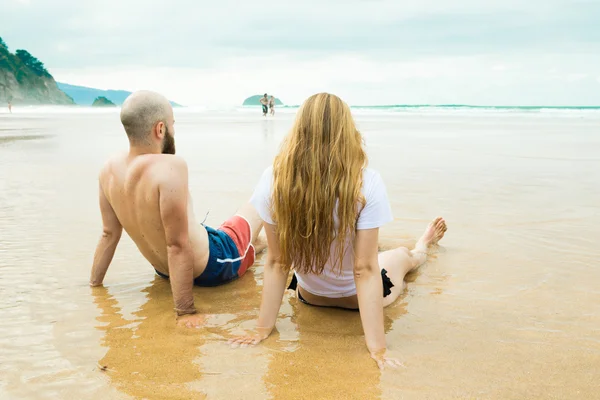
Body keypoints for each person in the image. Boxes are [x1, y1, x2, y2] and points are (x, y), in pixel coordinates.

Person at [229, 93, 447, 369]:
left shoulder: (275, 180)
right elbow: (364, 270)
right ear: (347, 132)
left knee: (367, 252)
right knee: (404, 256)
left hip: (309, 295)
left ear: (299, 132)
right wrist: (378, 350)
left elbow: (277, 262)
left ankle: (407, 245)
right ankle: (422, 244)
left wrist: (262, 329)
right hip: (356, 300)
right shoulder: (366, 183)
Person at [89, 90, 265, 327]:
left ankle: (265, 245)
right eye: (173, 125)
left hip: (166, 272)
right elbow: (177, 246)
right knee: (260, 202)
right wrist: (185, 311)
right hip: (216, 263)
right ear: (160, 129)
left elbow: (109, 234)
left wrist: (94, 285)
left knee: (259, 242)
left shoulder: (108, 169)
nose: (173, 131)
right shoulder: (170, 167)